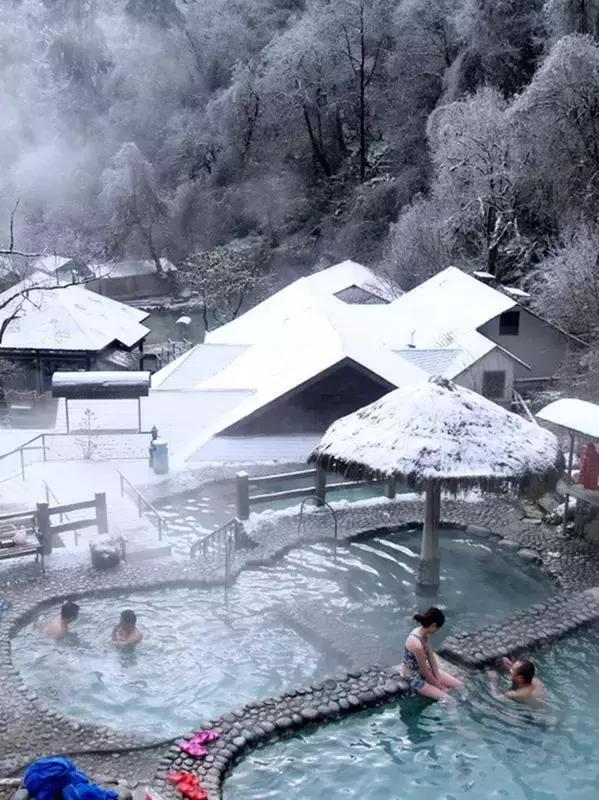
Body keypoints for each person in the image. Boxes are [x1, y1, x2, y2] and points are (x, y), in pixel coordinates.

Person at [400, 607, 464, 700]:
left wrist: (438, 677)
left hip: (424, 670)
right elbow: (424, 672)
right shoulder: (417, 645)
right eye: (439, 628)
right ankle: (454, 714)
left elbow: (431, 657)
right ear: (433, 625)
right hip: (413, 676)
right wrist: (439, 686)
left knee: (460, 685)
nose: (439, 632)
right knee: (449, 700)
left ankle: (465, 701)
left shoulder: (425, 633)